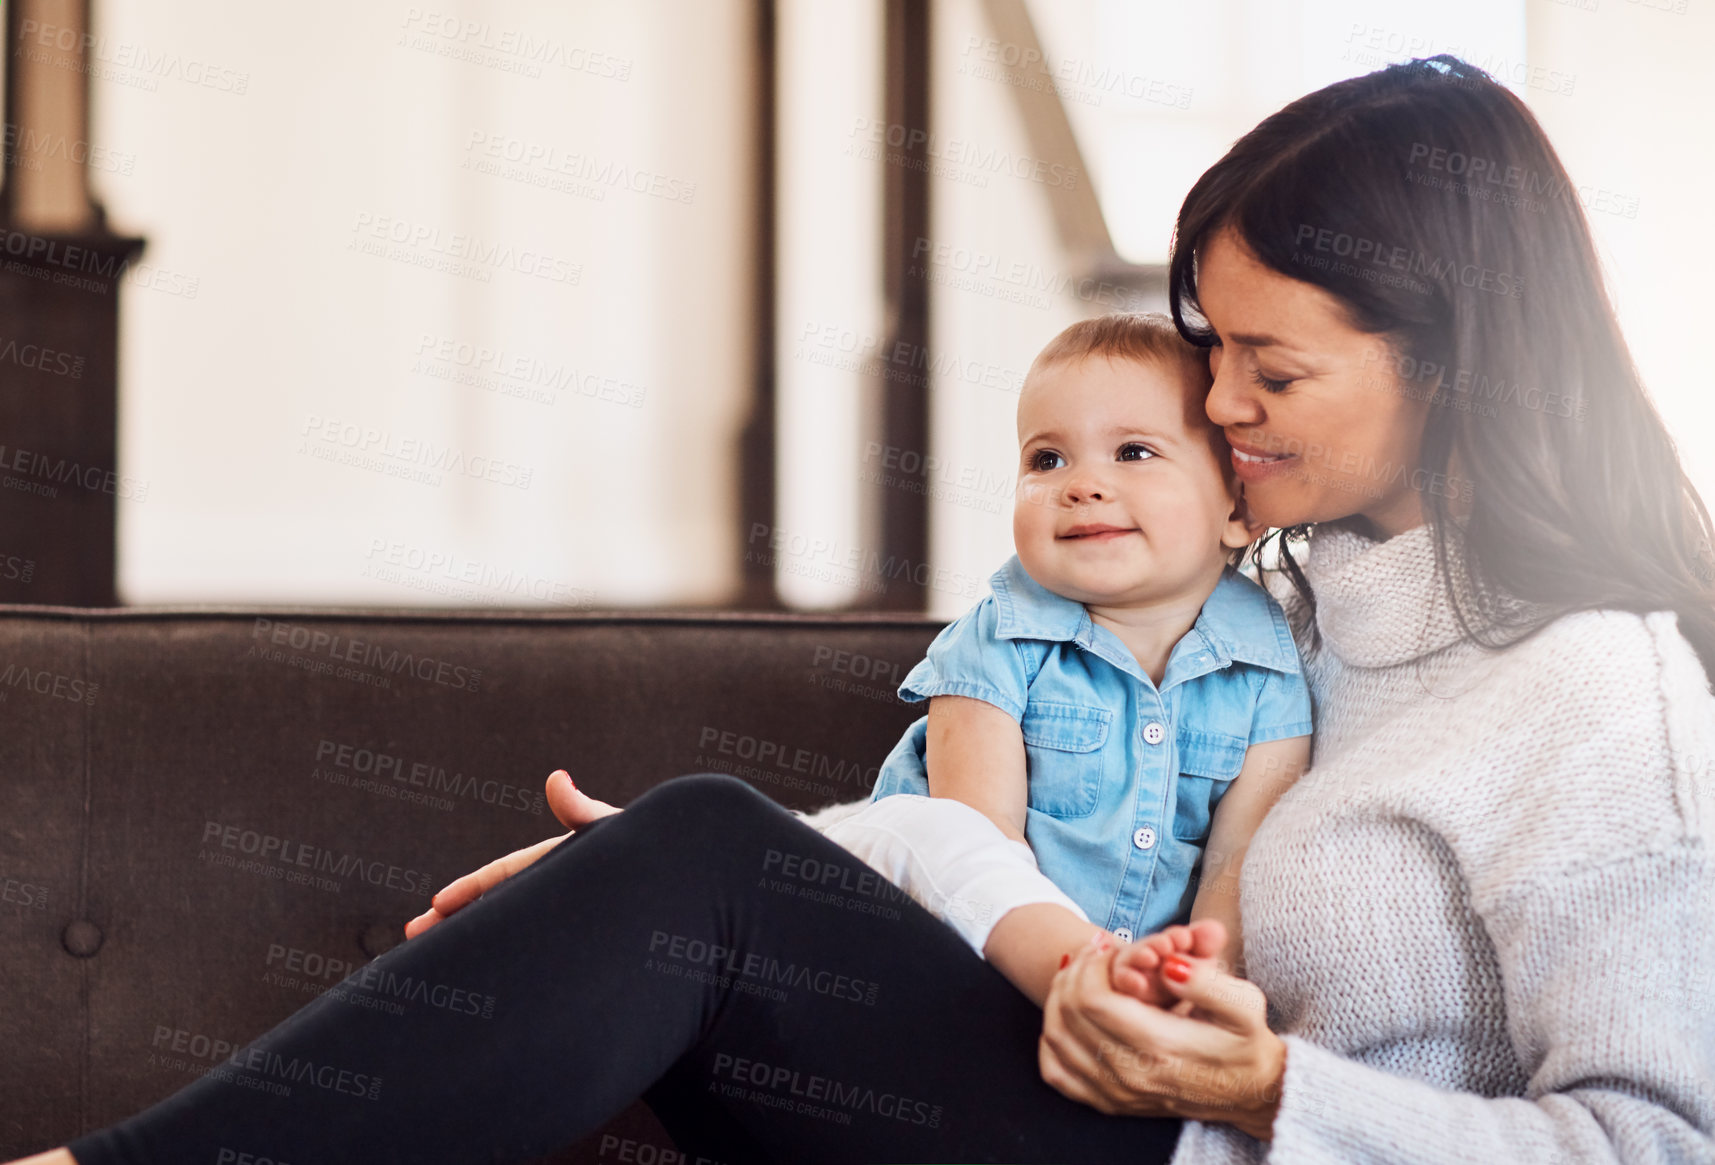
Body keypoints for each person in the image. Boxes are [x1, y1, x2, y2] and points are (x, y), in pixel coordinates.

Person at [19, 53, 1715, 1165]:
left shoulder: (1592, 693)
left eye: (1271, 366)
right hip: (1133, 1126)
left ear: (1458, 359)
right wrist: (632, 898)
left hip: (1216, 1146)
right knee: (687, 859)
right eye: (1211, 354)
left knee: (696, 868)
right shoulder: (1296, 606)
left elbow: (1659, 1141)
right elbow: (988, 836)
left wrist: (1278, 1094)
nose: (1223, 408)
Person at [857, 311, 1312, 1008]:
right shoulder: (996, 641)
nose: (1080, 484)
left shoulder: (1268, 671)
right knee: (746, 845)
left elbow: (1237, 866)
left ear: (1238, 510)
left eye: (1132, 452)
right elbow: (977, 851)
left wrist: (1200, 985)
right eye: (1046, 458)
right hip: (956, 966)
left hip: (1129, 993)